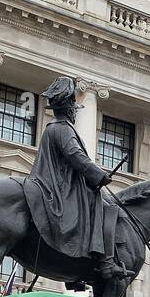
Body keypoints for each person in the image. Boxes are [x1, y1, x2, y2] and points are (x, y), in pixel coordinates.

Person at [22, 76, 125, 282]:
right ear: (69, 108)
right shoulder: (63, 128)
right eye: (74, 107)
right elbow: (76, 156)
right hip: (59, 187)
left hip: (53, 182)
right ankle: (105, 262)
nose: (74, 111)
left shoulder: (54, 128)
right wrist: (99, 175)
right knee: (104, 205)